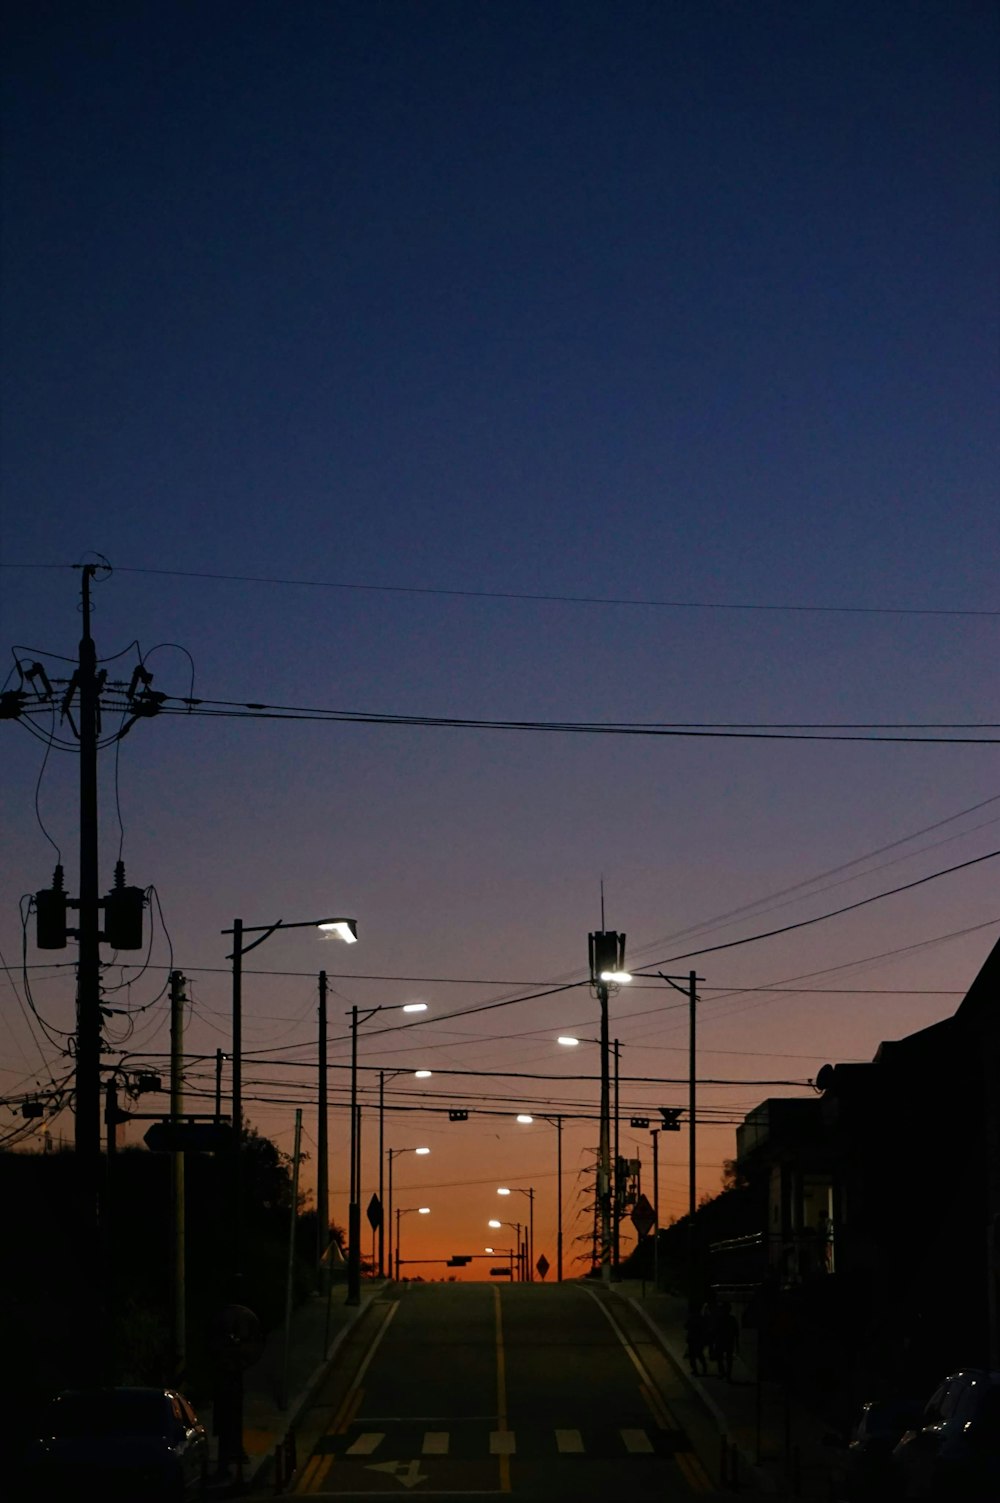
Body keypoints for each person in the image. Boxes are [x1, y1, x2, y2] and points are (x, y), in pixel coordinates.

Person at [714, 1300, 740, 1382]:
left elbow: (715, 1330)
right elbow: (736, 1332)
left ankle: (723, 1373)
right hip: (727, 1340)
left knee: (721, 1358)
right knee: (726, 1359)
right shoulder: (731, 1319)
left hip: (723, 1340)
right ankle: (726, 1374)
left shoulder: (721, 1318)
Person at [684, 1302, 709, 1376]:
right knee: (699, 1354)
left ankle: (696, 1370)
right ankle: (703, 1368)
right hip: (698, 1339)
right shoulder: (701, 1318)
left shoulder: (692, 1318)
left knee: (693, 1356)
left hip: (693, 1339)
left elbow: (686, 1326)